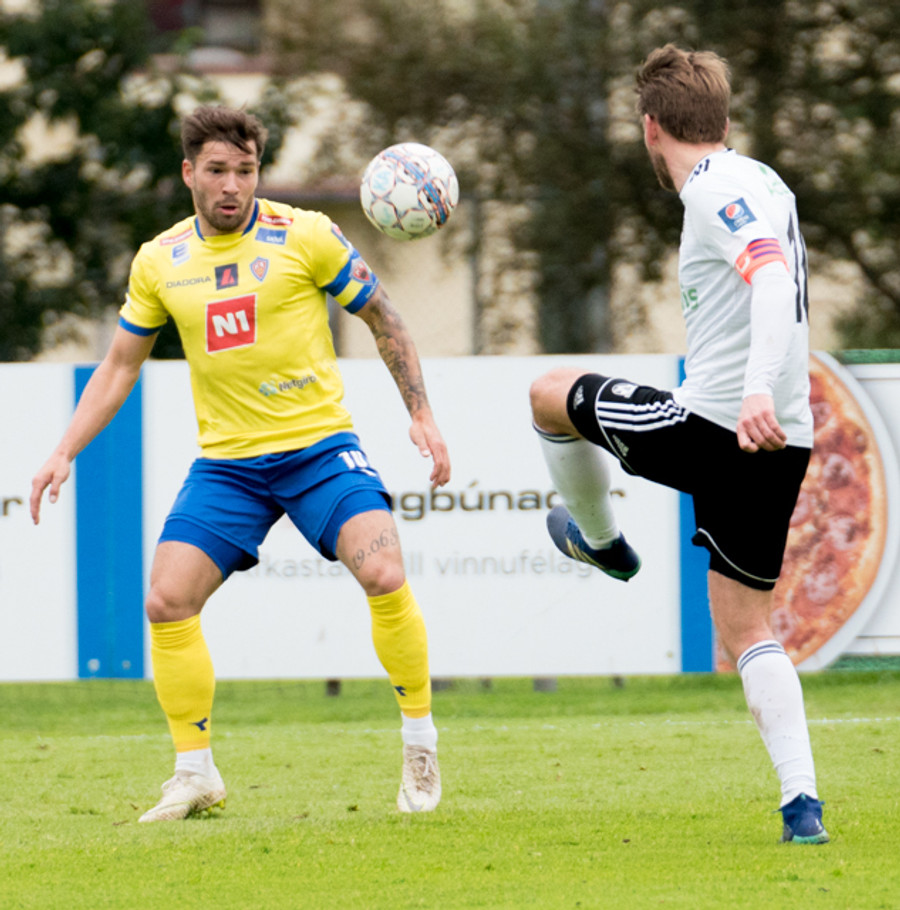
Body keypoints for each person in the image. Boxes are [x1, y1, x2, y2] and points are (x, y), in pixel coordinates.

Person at [31, 105, 449, 822]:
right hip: (229, 466)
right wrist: (64, 449)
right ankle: (195, 773)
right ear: (189, 173)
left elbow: (384, 316)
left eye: (246, 171)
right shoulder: (160, 260)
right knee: (166, 601)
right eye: (218, 171)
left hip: (319, 449)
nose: (233, 185)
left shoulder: (306, 235)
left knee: (384, 571)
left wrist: (421, 412)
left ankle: (420, 743)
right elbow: (119, 365)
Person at [529, 45, 828, 844]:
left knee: (548, 394)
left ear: (650, 126)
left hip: (719, 425)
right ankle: (802, 805)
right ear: (723, 120)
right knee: (746, 630)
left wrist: (754, 386)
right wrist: (768, 395)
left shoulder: (713, 189)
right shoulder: (765, 180)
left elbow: (770, 277)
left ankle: (602, 544)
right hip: (786, 439)